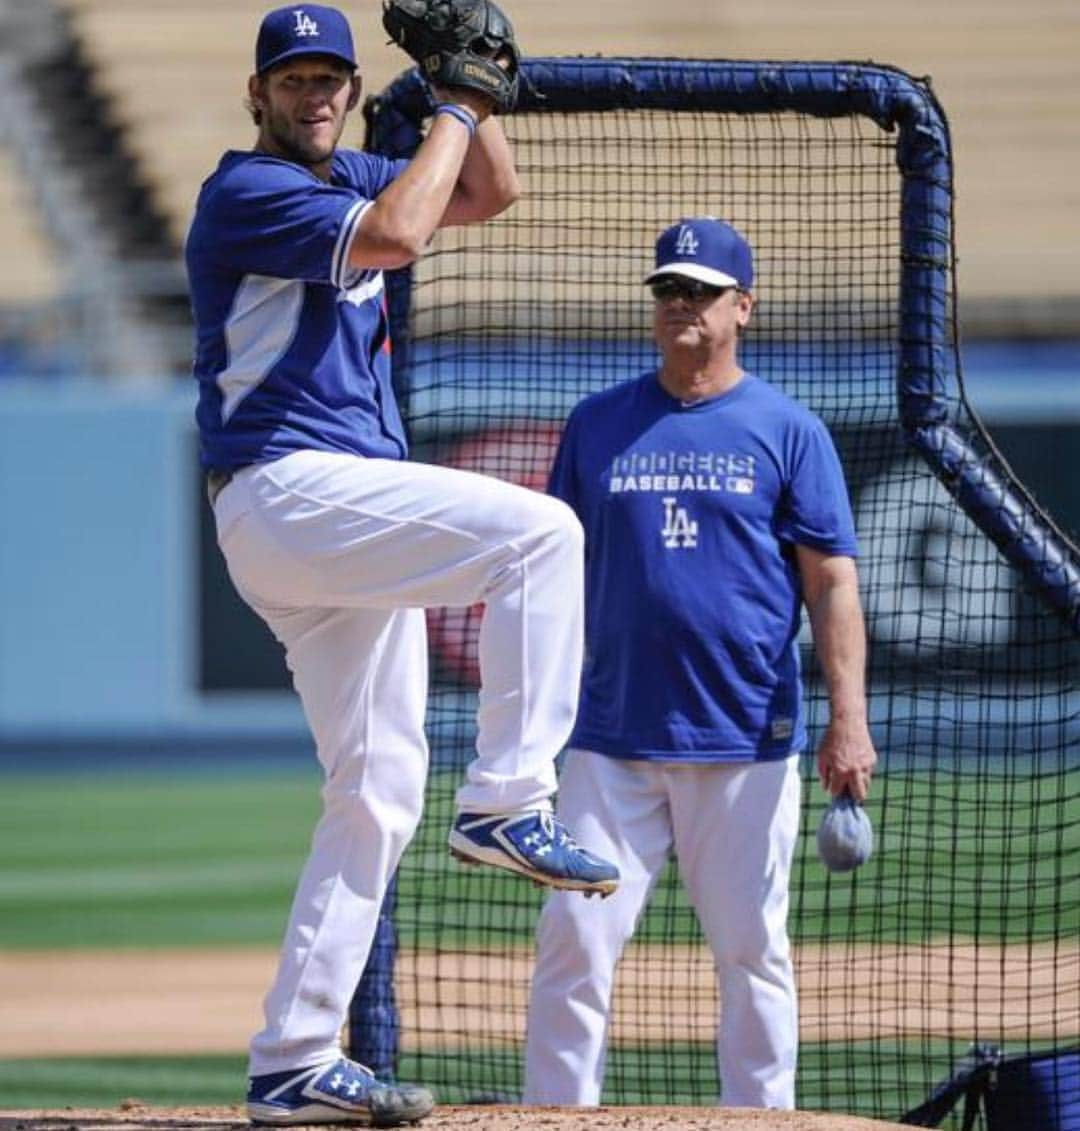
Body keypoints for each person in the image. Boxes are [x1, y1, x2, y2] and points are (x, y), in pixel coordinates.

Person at [185, 5, 618, 1125]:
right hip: (289, 486)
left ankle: (292, 1058)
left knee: (375, 794)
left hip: (318, 517)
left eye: (332, 74)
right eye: (295, 79)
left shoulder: (364, 165)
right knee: (545, 534)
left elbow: (484, 194)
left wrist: (451, 85)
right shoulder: (248, 192)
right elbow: (399, 237)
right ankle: (510, 800)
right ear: (258, 95)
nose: (317, 93)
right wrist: (461, 104)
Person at [523, 217, 878, 1110]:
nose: (678, 304)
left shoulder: (788, 429)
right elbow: (551, 564)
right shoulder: (599, 422)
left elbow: (832, 581)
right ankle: (555, 1118)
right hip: (611, 737)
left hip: (747, 740)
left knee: (751, 951)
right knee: (573, 937)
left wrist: (850, 720)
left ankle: (762, 1122)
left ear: (742, 307)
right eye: (667, 289)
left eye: (699, 290)